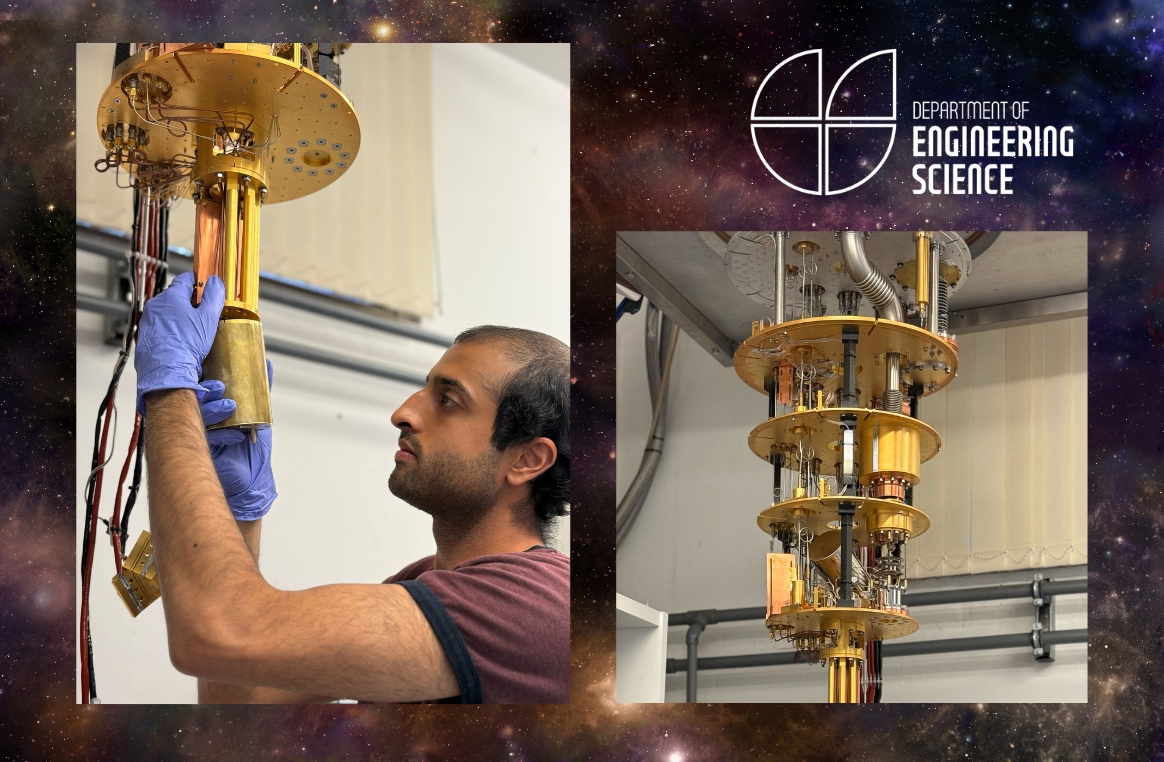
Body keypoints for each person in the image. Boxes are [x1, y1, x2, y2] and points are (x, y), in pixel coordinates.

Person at [134, 271, 570, 703]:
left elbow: (220, 635)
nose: (403, 413)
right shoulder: (420, 581)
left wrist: (171, 388)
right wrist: (240, 510)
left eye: (449, 401)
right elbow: (238, 700)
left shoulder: (538, 603)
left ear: (527, 459)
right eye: (425, 389)